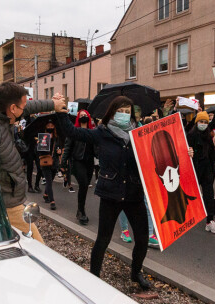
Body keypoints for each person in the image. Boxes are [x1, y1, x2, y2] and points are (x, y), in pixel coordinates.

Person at [56, 94, 174, 289]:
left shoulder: (140, 134)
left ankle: (136, 273)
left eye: (128, 112)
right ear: (112, 112)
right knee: (103, 239)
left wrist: (186, 153)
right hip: (111, 194)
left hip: (134, 194)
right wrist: (60, 112)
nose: (124, 115)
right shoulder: (101, 133)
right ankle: (93, 276)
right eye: (120, 111)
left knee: (143, 239)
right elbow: (72, 132)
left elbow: (162, 150)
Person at [0, 83, 67, 243]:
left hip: (5, 197)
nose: (25, 109)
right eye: (22, 106)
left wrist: (53, 104)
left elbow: (28, 108)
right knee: (38, 247)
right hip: (5, 202)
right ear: (13, 108)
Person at [186, 98, 215, 234]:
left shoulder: (208, 133)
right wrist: (188, 152)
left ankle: (210, 221)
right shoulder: (190, 135)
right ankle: (185, 218)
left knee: (208, 194)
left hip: (207, 169)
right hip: (194, 169)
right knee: (191, 195)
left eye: (205, 122)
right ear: (196, 123)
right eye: (201, 121)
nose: (203, 124)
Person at [61, 109, 96, 224]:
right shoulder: (74, 132)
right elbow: (67, 147)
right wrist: (63, 162)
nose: (83, 116)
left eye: (85, 115)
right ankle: (82, 211)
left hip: (89, 162)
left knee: (85, 186)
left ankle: (80, 209)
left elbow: (97, 150)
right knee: (84, 183)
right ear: (78, 118)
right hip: (77, 161)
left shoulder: (93, 132)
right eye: (81, 115)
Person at [37, 121, 61, 210]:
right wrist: (39, 145)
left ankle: (46, 194)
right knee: (49, 181)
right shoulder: (42, 137)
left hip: (54, 163)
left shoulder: (56, 138)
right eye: (48, 125)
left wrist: (59, 152)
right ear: (46, 127)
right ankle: (52, 201)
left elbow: (59, 148)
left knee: (50, 180)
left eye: (52, 125)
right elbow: (39, 152)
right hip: (45, 162)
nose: (50, 126)